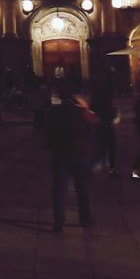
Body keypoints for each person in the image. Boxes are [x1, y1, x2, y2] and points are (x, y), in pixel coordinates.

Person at [46, 83, 97, 232]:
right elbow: (95, 124)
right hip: (79, 155)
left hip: (59, 154)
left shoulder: (52, 112)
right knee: (82, 188)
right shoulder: (81, 112)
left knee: (59, 190)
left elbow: (48, 132)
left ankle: (58, 222)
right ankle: (85, 219)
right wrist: (86, 107)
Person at [90, 83, 120, 178]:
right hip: (108, 126)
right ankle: (111, 169)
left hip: (99, 126)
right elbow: (113, 115)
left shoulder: (94, 99)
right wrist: (115, 114)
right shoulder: (108, 102)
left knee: (99, 147)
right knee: (112, 148)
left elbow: (91, 111)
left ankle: (92, 167)